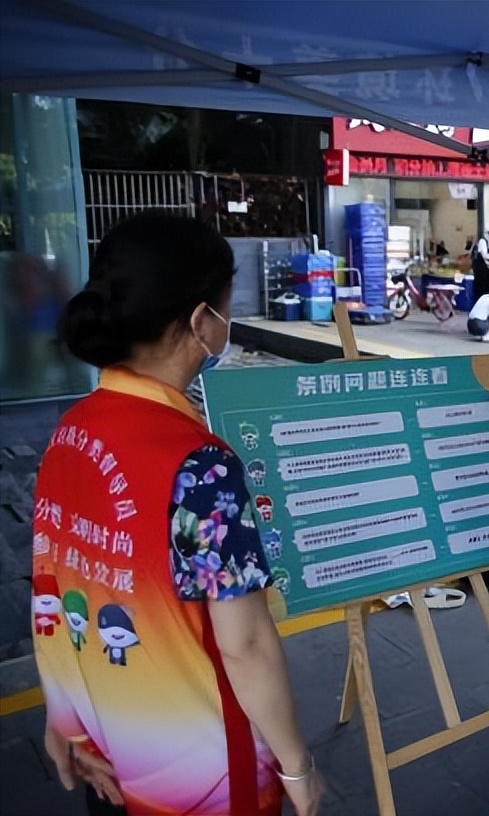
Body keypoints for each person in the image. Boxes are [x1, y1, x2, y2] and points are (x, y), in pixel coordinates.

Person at [33, 212, 324, 816]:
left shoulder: (70, 433)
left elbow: (52, 595)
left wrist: (61, 722)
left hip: (105, 749)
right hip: (205, 777)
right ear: (201, 322)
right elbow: (244, 644)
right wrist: (298, 766)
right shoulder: (199, 465)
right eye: (226, 302)